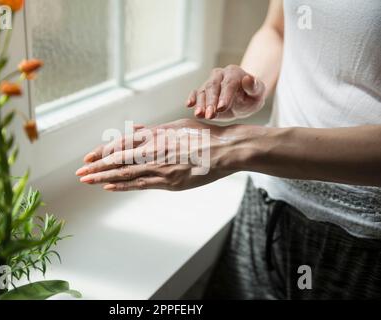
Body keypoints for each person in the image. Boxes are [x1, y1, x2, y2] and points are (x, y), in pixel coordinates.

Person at [76, 0, 381, 299]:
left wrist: (235, 146)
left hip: (365, 241)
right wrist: (249, 82)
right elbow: (277, 29)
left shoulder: (242, 150)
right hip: (268, 200)